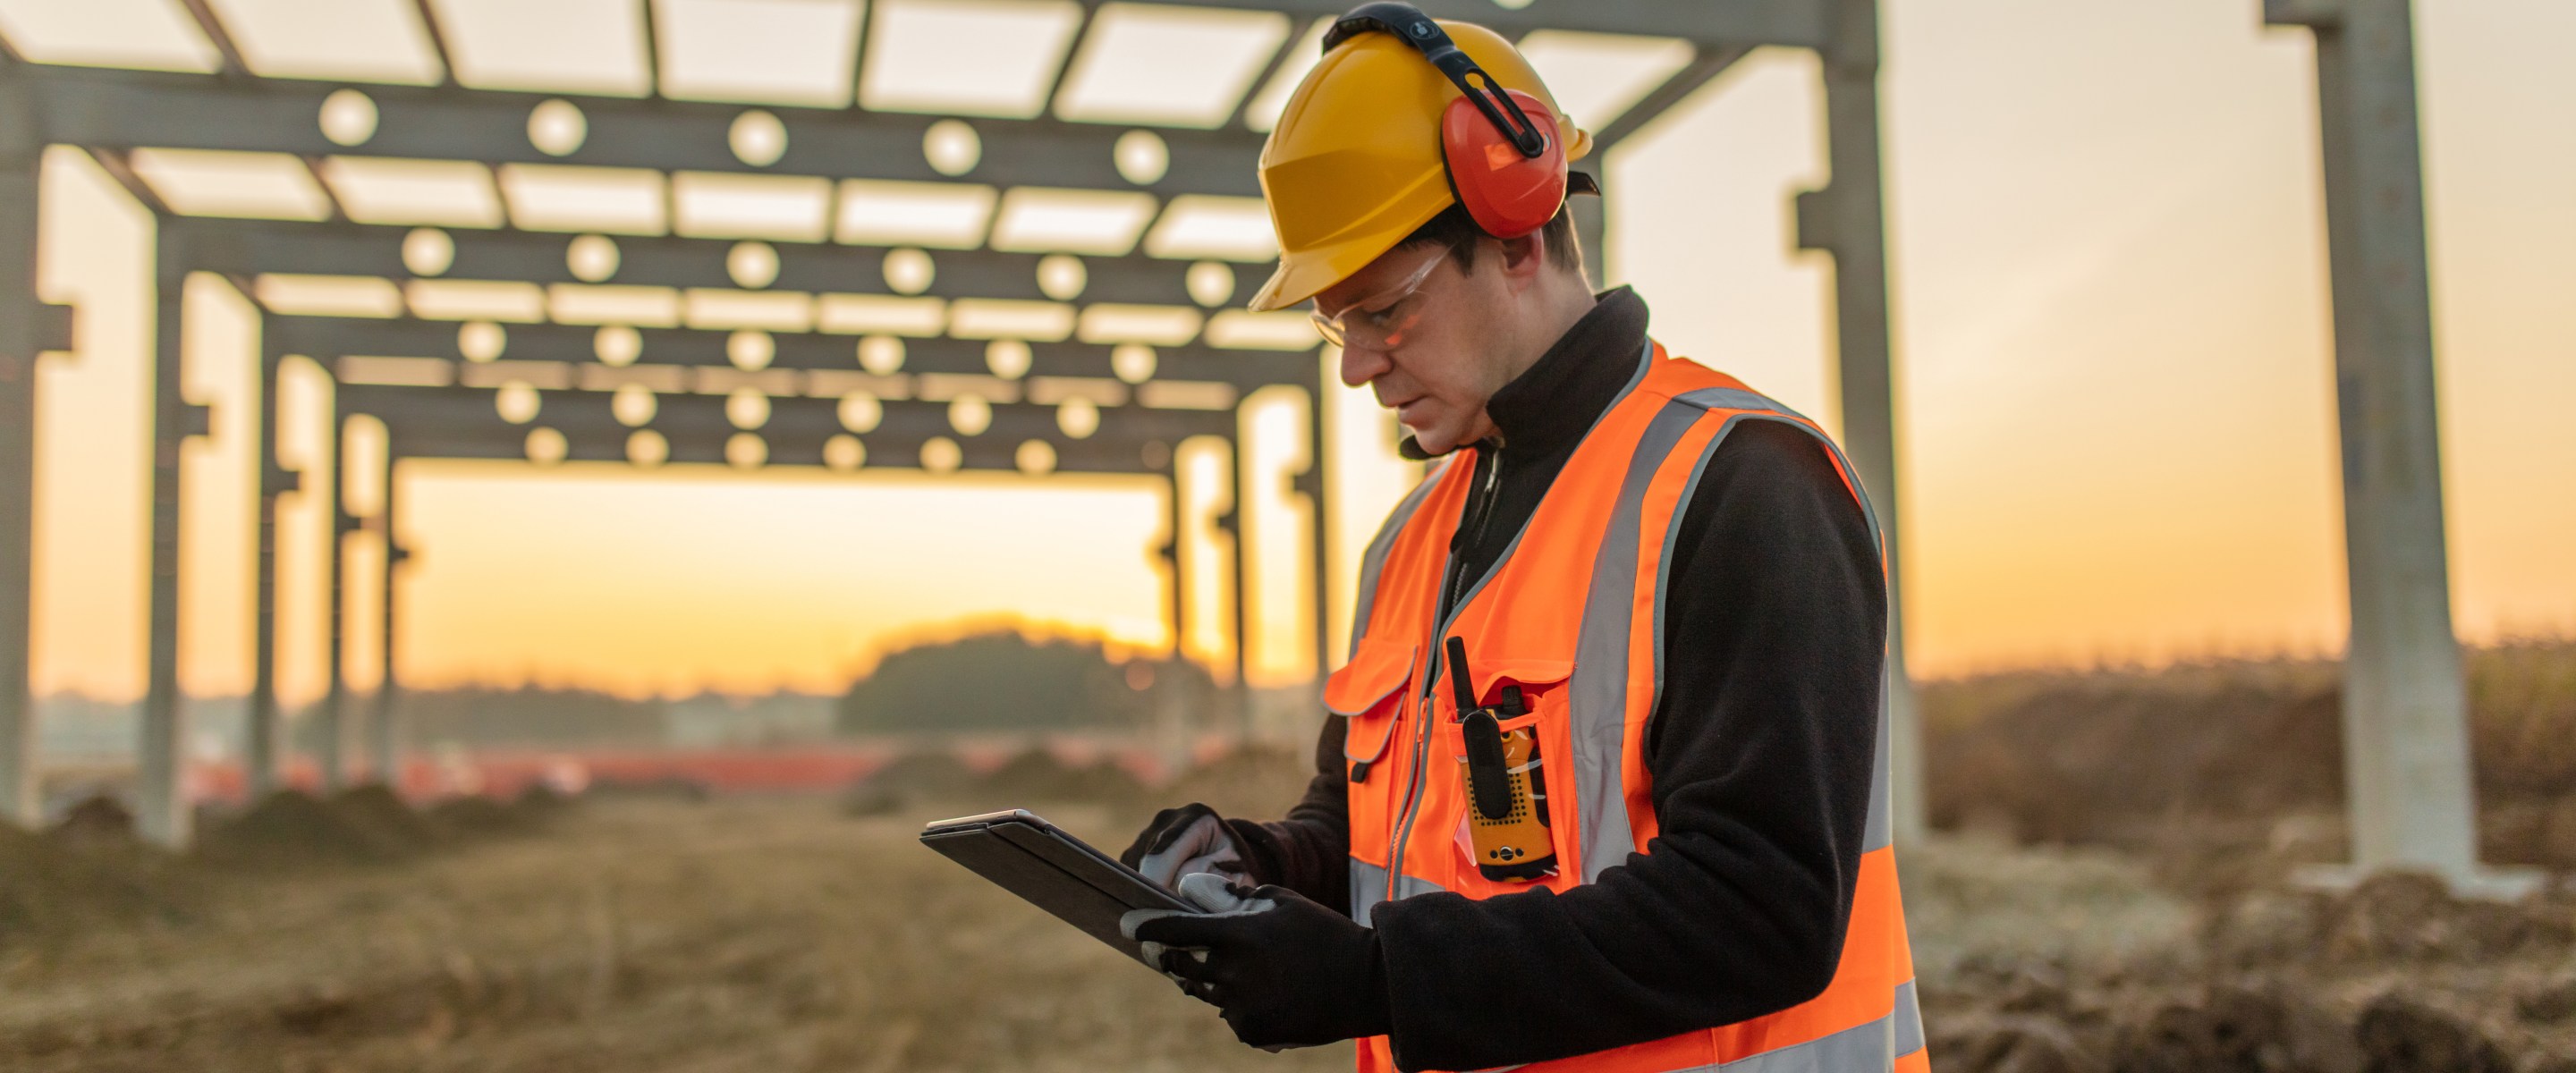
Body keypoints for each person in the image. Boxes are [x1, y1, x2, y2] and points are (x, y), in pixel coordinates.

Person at [1115, 4, 1926, 1072]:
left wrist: (1375, 980)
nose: (1357, 365)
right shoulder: (1410, 541)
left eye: (1384, 309)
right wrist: (1256, 866)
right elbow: (1375, 830)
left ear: (1516, 229)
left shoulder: (1741, 486)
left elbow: (1759, 909)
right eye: (1335, 322)